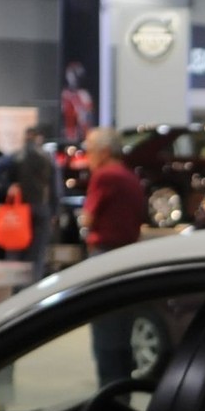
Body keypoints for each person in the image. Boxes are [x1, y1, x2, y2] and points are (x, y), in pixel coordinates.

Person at [79, 128, 149, 383]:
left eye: (90, 150)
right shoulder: (130, 177)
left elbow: (88, 217)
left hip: (104, 257)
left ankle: (107, 399)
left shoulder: (104, 176)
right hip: (128, 256)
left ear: (104, 151)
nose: (87, 156)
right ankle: (121, 396)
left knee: (105, 335)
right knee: (122, 335)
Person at [11, 125, 59, 276]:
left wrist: (9, 185)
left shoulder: (16, 156)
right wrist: (55, 211)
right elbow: (56, 189)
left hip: (20, 209)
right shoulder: (47, 157)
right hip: (41, 207)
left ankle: (16, 290)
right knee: (37, 255)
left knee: (16, 252)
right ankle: (33, 289)